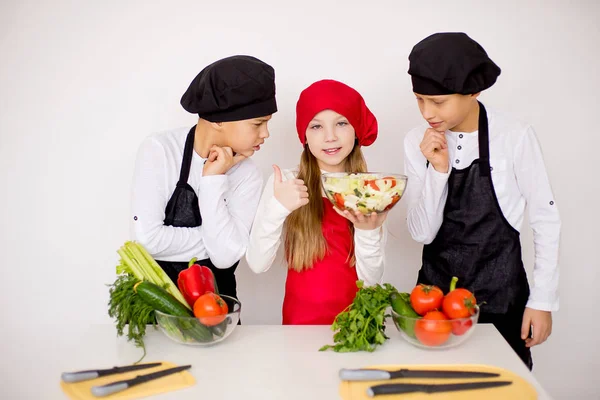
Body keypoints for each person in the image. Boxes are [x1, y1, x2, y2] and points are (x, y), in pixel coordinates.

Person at [403, 32, 561, 369]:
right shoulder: (417, 141)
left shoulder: (514, 136)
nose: (427, 112)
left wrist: (543, 300)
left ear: (473, 91)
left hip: (503, 300)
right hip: (434, 306)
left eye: (439, 101)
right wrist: (438, 170)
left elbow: (545, 219)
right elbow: (421, 233)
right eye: (419, 99)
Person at [130, 55, 277, 301]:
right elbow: (148, 240)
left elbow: (225, 258)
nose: (266, 133)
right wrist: (218, 238)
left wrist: (212, 180)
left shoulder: (248, 173)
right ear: (218, 119)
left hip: (219, 307)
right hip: (157, 304)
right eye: (257, 124)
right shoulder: (160, 150)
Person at [246, 79, 388, 324]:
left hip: (358, 326)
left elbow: (371, 283)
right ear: (304, 135)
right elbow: (257, 264)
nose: (330, 137)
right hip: (299, 326)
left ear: (356, 130)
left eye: (341, 123)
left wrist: (368, 232)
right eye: (316, 126)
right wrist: (277, 209)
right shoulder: (286, 182)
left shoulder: (369, 189)